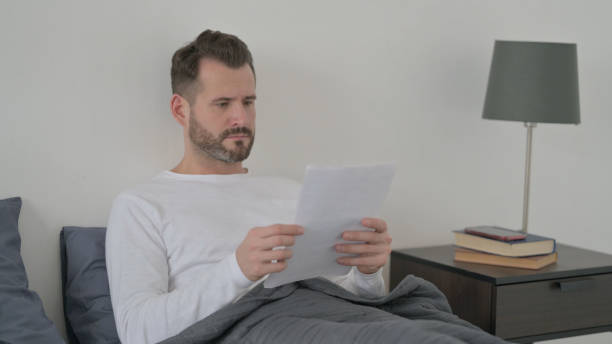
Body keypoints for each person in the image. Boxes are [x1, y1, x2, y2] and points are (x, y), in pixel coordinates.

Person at [105, 29, 393, 344]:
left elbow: (344, 304)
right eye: (223, 103)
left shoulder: (293, 192)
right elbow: (137, 333)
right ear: (180, 110)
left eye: (248, 101)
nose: (240, 118)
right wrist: (237, 270)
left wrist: (367, 274)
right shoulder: (141, 206)